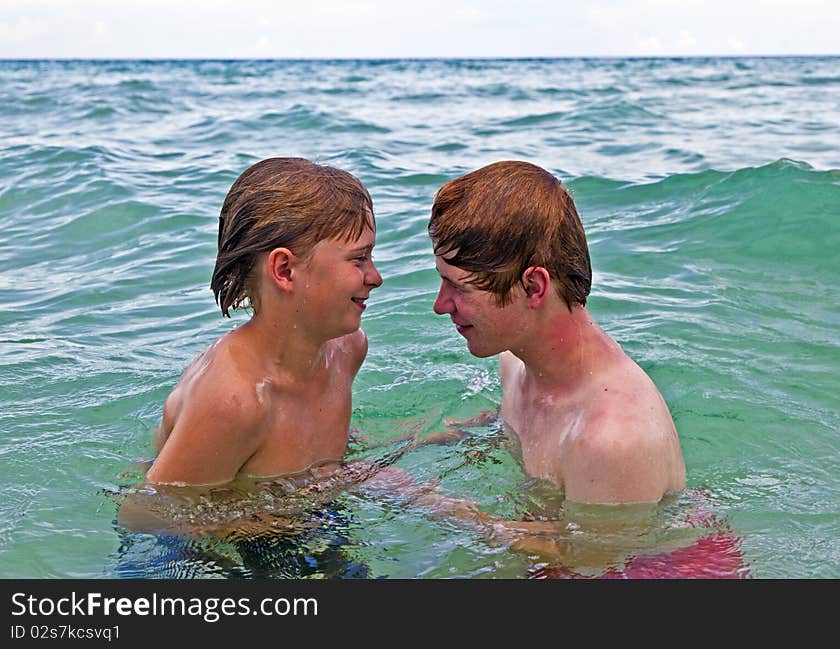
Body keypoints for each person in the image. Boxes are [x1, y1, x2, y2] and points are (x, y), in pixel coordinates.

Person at [428, 160, 686, 505]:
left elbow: (596, 554)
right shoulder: (515, 364)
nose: (441, 305)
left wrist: (429, 503)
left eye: (459, 287)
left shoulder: (611, 438)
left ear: (534, 286)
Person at [146, 156, 383, 486]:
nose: (376, 277)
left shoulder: (346, 349)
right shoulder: (234, 402)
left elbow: (319, 450)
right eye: (359, 259)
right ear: (284, 271)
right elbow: (148, 515)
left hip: (317, 508)